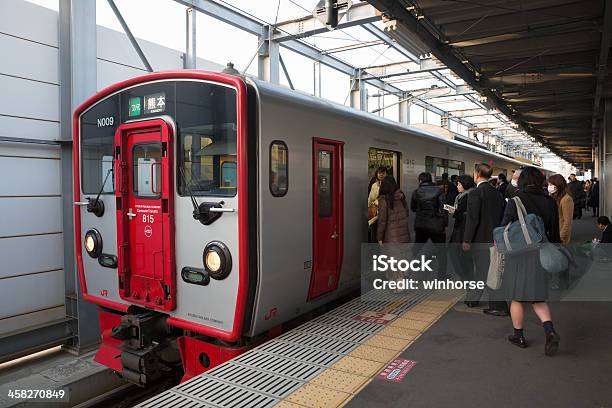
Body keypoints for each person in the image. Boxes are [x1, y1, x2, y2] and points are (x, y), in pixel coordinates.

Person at [502, 167, 561, 356]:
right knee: (538, 297)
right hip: (541, 253)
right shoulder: (550, 201)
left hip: (519, 255)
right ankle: (549, 330)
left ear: (522, 182)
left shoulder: (515, 201)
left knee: (517, 297)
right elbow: (555, 231)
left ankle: (518, 336)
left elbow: (505, 228)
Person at [463, 163, 508, 315]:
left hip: (480, 240)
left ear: (476, 174)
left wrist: (467, 240)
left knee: (483, 271)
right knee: (492, 270)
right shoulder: (497, 193)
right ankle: (475, 299)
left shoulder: (475, 193)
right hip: (495, 238)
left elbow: (473, 219)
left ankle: (497, 305)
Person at [411, 172, 448, 278]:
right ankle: (441, 276)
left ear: (420, 181)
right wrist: (444, 224)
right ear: (431, 180)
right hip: (436, 225)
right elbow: (443, 208)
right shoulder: (439, 190)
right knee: (441, 251)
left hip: (421, 225)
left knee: (416, 249)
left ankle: (415, 274)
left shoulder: (416, 192)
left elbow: (413, 208)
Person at [448, 174, 477, 306]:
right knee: (462, 259)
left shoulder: (468, 196)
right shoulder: (465, 195)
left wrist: (455, 212)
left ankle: (469, 285)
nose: (457, 186)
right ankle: (468, 283)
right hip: (461, 232)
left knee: (463, 260)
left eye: (459, 184)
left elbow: (465, 216)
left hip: (463, 233)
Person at [377, 176, 410, 244]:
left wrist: (379, 238)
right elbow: (406, 213)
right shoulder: (401, 196)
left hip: (390, 238)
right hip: (404, 236)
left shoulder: (384, 200)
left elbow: (382, 221)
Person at [547, 174, 574, 244]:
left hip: (560, 237)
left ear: (558, 185)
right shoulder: (554, 197)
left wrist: (560, 237)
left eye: (551, 184)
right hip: (553, 234)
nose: (549, 187)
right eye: (548, 184)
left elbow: (567, 222)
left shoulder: (566, 199)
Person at [367, 166, 387, 242]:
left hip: (384, 213)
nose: (381, 175)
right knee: (374, 234)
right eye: (379, 173)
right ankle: (375, 252)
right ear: (377, 174)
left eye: (383, 173)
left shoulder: (389, 185)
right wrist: (368, 209)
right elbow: (370, 198)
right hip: (375, 213)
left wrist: (377, 202)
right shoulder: (374, 185)